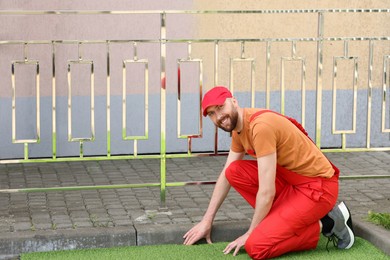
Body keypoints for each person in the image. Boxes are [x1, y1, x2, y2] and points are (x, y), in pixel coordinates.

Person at [183, 86, 354, 259]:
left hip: (319, 189)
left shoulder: (260, 127)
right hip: (294, 184)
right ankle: (284, 221)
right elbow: (226, 176)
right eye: (211, 113)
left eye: (220, 107)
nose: (218, 117)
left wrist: (251, 232)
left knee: (256, 246)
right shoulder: (239, 129)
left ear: (234, 101)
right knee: (233, 171)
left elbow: (266, 192)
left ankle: (329, 222)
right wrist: (207, 220)